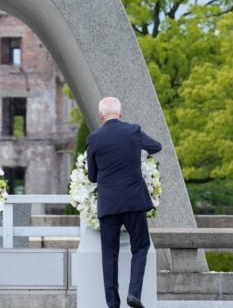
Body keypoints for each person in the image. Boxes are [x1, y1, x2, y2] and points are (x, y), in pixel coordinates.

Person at [86, 97, 161, 308]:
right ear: (121, 112)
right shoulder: (133, 131)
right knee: (141, 245)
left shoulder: (94, 138)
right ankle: (134, 293)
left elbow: (92, 175)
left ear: (101, 115)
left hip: (108, 204)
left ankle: (112, 303)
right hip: (133, 200)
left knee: (109, 254)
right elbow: (156, 146)